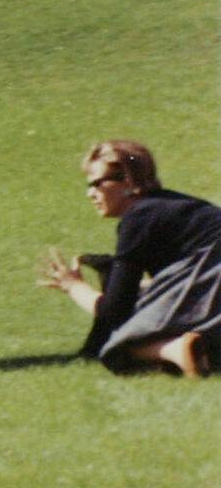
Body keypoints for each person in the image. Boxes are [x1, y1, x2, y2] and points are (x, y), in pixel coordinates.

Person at [40, 140, 220, 376]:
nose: (90, 193)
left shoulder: (139, 217)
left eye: (97, 183)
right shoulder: (179, 205)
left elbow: (113, 312)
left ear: (127, 181)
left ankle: (177, 349)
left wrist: (72, 285)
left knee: (118, 345)